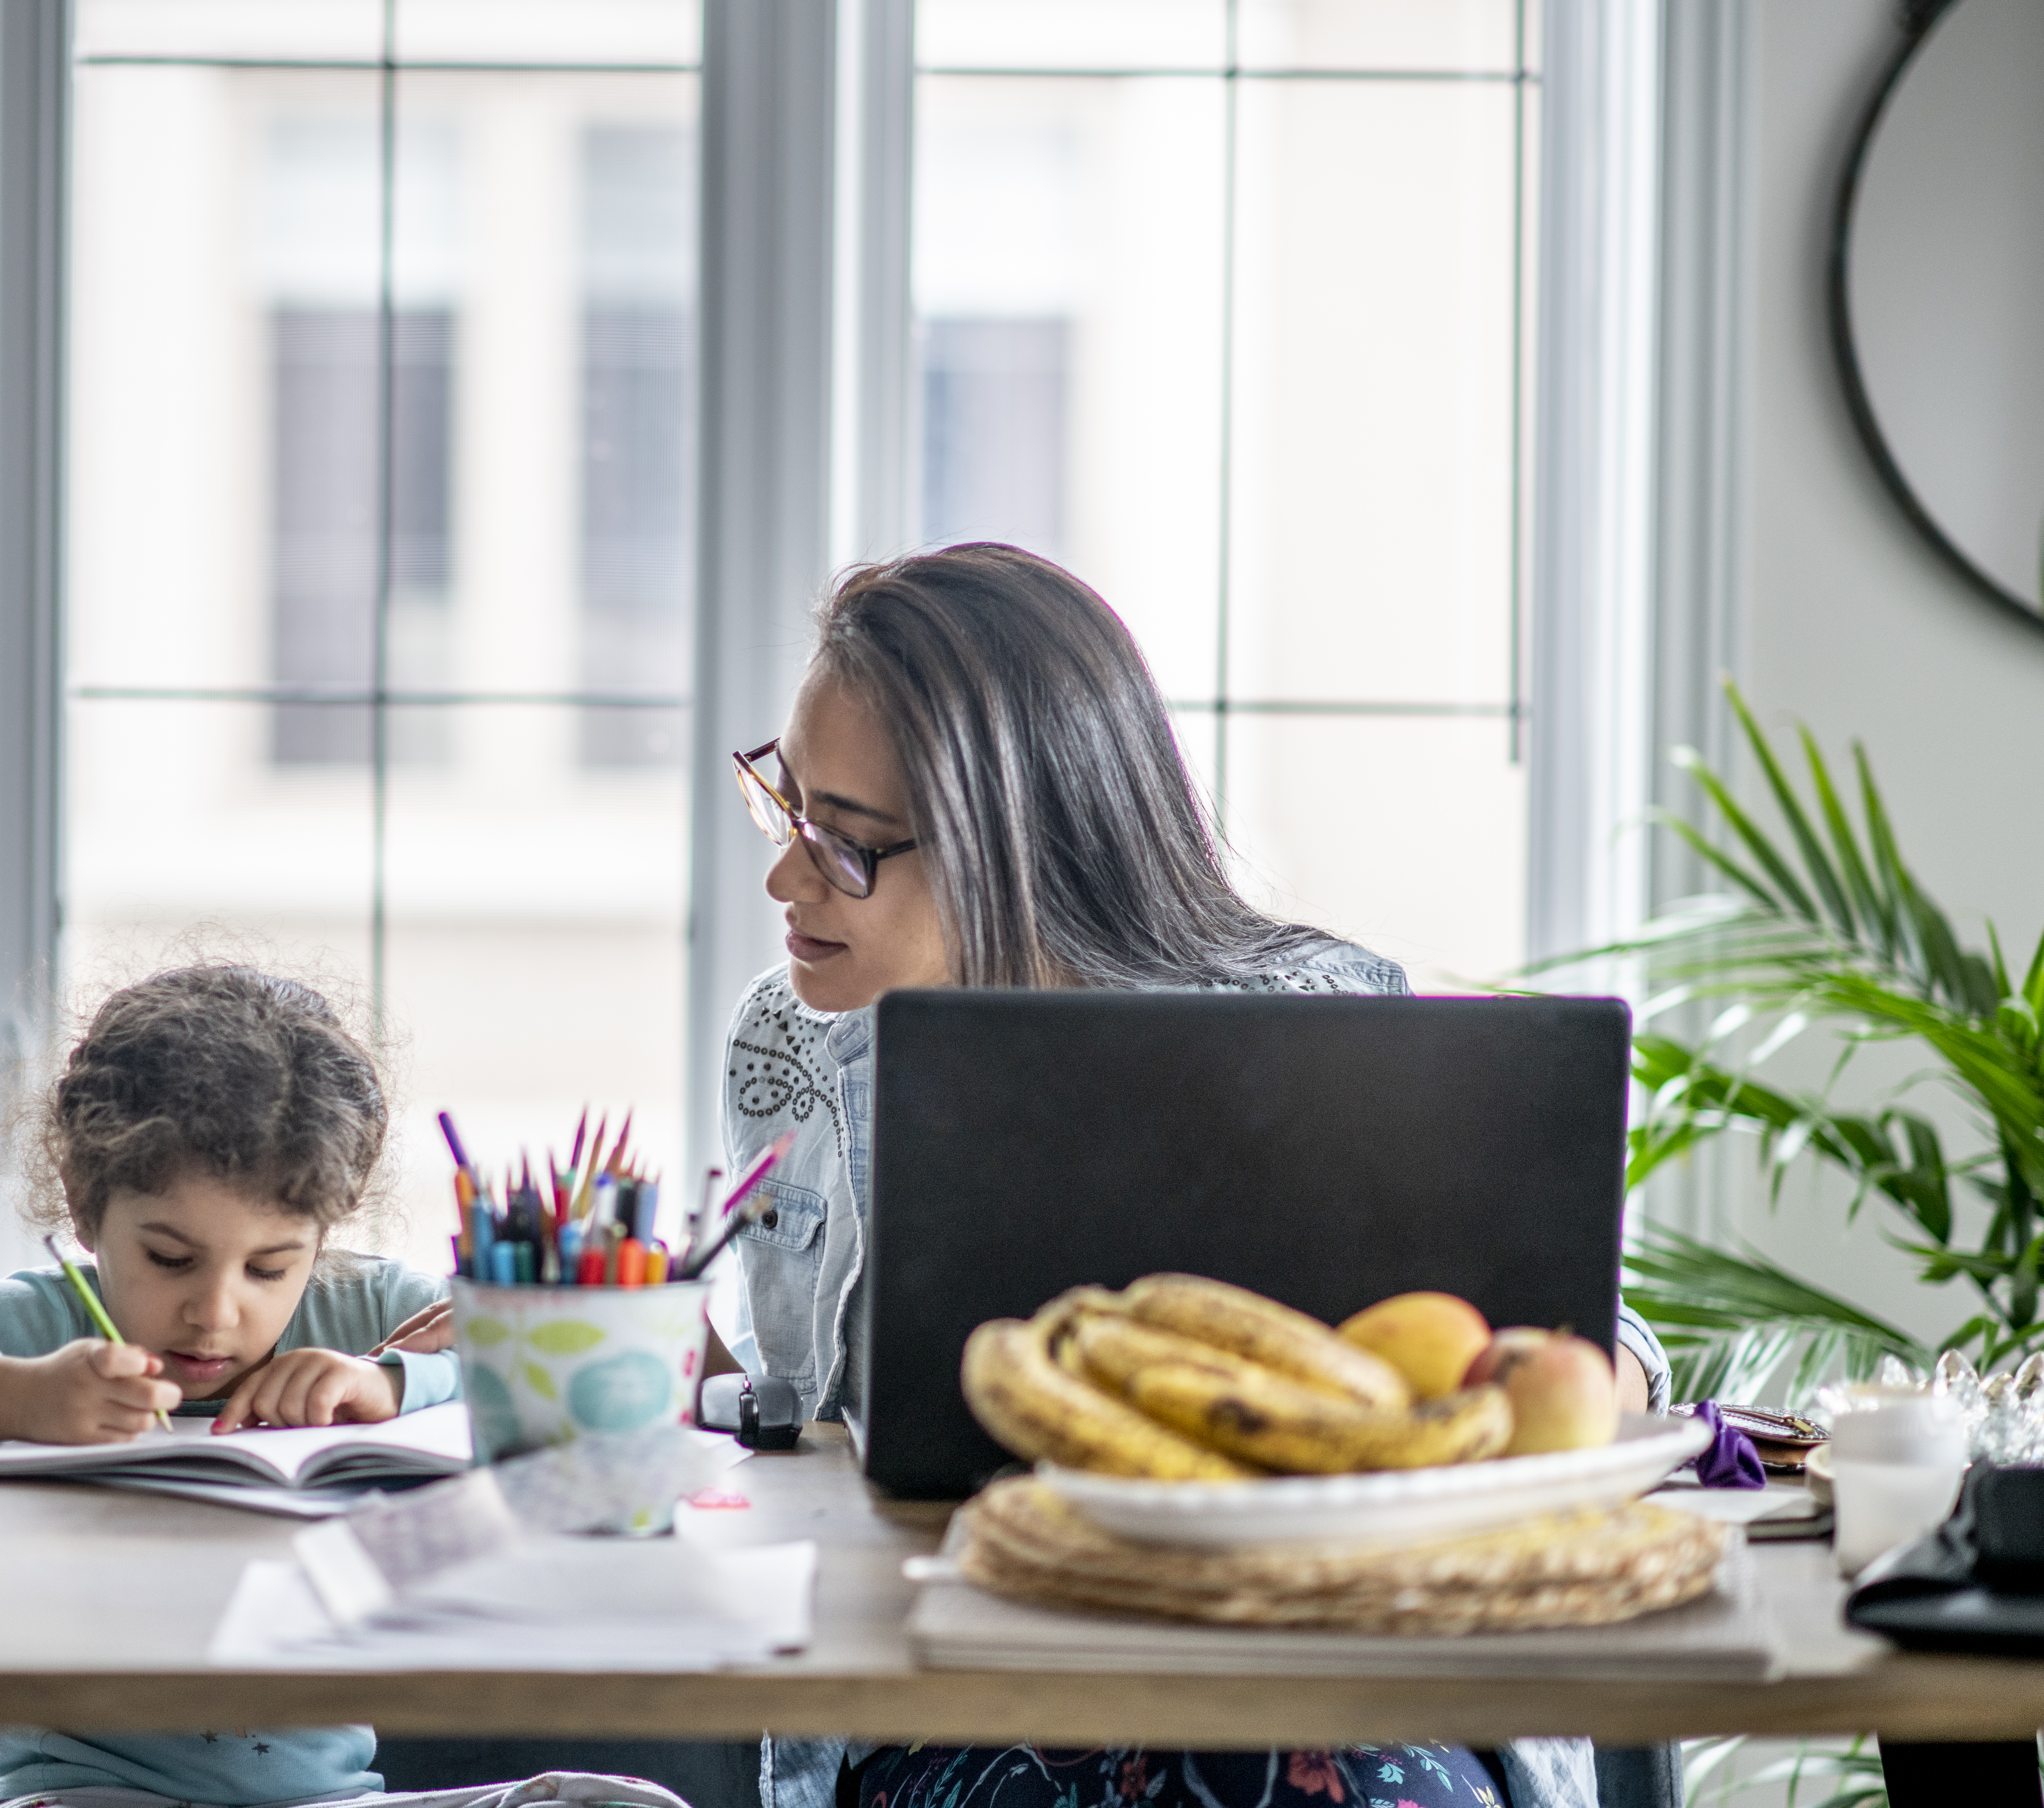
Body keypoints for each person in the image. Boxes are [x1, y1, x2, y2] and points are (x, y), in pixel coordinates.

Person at [712, 545, 1672, 1808]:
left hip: (1328, 1687)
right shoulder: (783, 1042)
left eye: (843, 844)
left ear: (1017, 846)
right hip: (946, 1695)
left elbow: (1587, 1347)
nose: (783, 877)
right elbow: (778, 1400)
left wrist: (1550, 1389)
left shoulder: (1319, 1025)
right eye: (784, 805)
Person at [0, 964, 460, 1808]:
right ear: (84, 1204)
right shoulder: (39, 1329)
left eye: (269, 1268)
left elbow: (554, 1373)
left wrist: (397, 1381)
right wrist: (6, 1395)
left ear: (323, 1231)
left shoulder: (368, 1314)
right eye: (169, 1259)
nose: (215, 1313)